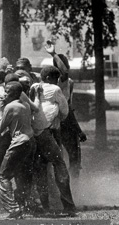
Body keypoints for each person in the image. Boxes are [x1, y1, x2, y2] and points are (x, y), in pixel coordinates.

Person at [29, 66, 76, 216]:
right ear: (50, 78)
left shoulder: (34, 87)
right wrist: (58, 118)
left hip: (34, 132)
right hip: (48, 132)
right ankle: (68, 205)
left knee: (40, 168)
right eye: (55, 79)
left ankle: (46, 206)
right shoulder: (55, 89)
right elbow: (64, 110)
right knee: (59, 165)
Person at [0, 81, 36, 219]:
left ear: (13, 93)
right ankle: (24, 204)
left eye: (7, 91)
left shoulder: (10, 106)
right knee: (22, 174)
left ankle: (13, 208)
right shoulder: (24, 105)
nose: (4, 94)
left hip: (19, 143)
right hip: (30, 142)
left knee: (3, 176)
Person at [45, 41, 87, 178]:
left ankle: (74, 183)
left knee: (74, 155)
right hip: (54, 121)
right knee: (57, 156)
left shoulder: (68, 83)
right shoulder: (54, 81)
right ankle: (59, 183)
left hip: (66, 119)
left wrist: (77, 129)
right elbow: (64, 72)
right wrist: (53, 53)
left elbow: (68, 106)